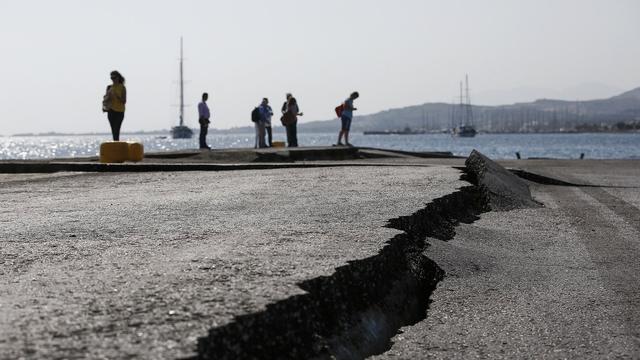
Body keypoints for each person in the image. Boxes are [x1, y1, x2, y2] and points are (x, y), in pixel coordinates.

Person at [103, 71, 126, 141]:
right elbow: (105, 99)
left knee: (117, 128)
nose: (113, 79)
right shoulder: (109, 87)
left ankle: (117, 143)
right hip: (111, 110)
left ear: (118, 77)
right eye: (111, 78)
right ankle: (115, 144)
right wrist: (107, 98)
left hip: (120, 111)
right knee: (113, 129)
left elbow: (124, 101)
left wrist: (117, 96)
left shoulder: (122, 87)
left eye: (114, 77)